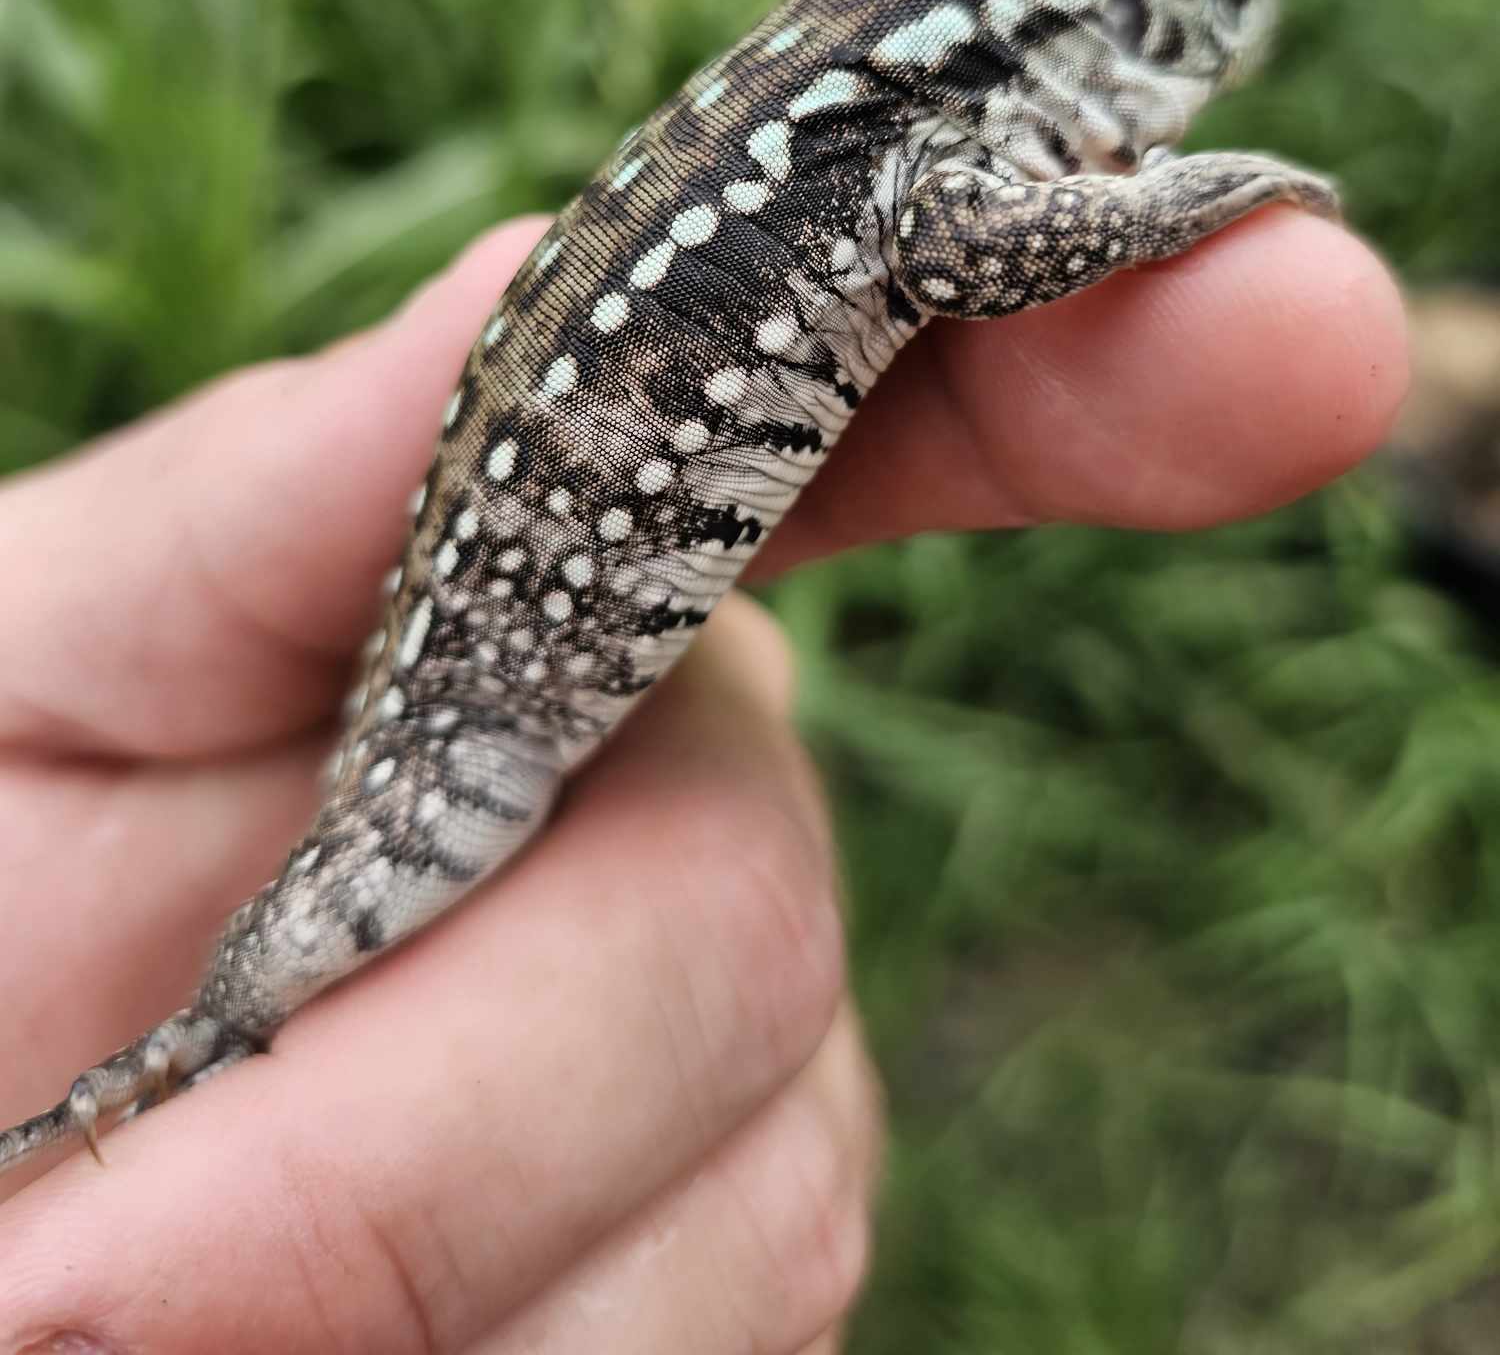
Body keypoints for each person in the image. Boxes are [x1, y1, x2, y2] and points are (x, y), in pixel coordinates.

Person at [0, 209, 1406, 1351]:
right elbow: (962, 239)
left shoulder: (894, 128)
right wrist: (1165, 210)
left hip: (517, 696)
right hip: (467, 714)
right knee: (298, 957)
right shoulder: (898, 139)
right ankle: (146, 1070)